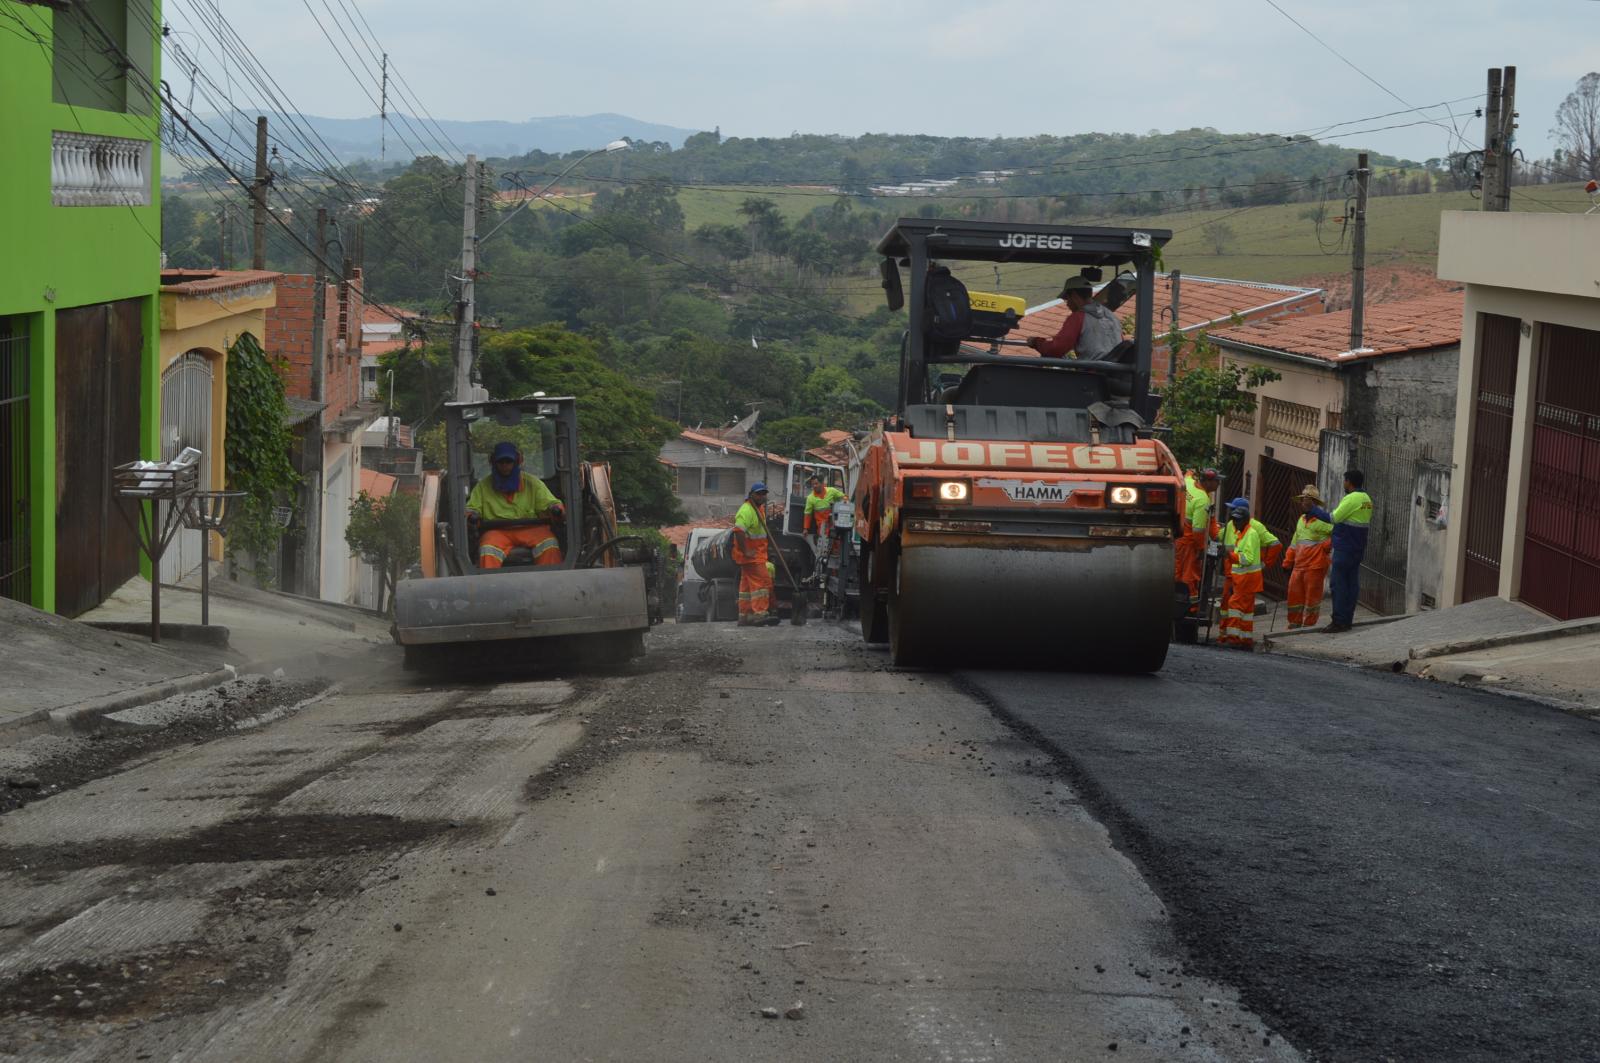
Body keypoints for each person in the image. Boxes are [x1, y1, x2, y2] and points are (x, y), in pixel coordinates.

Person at [466, 441, 564, 569]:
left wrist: (555, 508)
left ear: (517, 461)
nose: (505, 466)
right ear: (493, 462)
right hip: (497, 531)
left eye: (509, 461)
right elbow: (472, 508)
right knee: (487, 549)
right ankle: (490, 586)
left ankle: (551, 584)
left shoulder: (532, 483)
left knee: (549, 544)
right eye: (501, 462)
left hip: (530, 528)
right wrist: (472, 515)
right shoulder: (483, 487)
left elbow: (550, 503)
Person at [1307, 469, 1373, 633]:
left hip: (1345, 547)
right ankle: (1347, 620)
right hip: (1358, 548)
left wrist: (1312, 509)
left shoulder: (1351, 499)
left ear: (1349, 482)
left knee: (1338, 585)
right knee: (1351, 585)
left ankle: (1339, 621)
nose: (1344, 484)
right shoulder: (1367, 499)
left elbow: (1333, 518)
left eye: (1345, 481)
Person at [1025, 275, 1122, 360]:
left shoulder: (1078, 317)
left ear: (1074, 296)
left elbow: (1057, 349)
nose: (1067, 304)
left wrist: (1036, 342)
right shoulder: (1112, 316)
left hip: (1093, 375)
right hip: (1115, 373)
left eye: (1067, 299)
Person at [1282, 485, 1333, 629]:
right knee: (1294, 596)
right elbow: (1294, 543)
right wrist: (1287, 562)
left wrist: (1326, 547)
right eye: (1302, 500)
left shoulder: (1323, 521)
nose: (1302, 502)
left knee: (1312, 599)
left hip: (1315, 566)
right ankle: (1294, 623)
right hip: (1298, 567)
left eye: (1305, 500)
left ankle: (1308, 626)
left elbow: (1337, 533)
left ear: (1313, 503)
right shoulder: (1301, 520)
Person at [1218, 501, 1264, 650]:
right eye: (1234, 519)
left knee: (1234, 606)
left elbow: (1247, 559)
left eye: (1237, 520)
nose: (1234, 522)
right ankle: (1245, 639)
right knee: (1246, 611)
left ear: (1245, 520)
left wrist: (1230, 556)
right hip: (1245, 579)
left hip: (1247, 579)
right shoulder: (1243, 534)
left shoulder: (1250, 535)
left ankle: (1234, 638)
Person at [1175, 467, 1220, 614]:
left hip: (1178, 537)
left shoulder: (1188, 482)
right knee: (1190, 575)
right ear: (1208, 482)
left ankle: (1176, 601)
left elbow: (1186, 475)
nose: (1218, 484)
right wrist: (1201, 549)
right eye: (1216, 481)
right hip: (1189, 542)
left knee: (1177, 571)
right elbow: (1198, 530)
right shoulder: (1202, 500)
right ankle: (1191, 608)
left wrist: (1190, 472)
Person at [732, 482, 777, 626]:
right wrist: (746, 551)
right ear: (751, 494)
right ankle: (760, 614)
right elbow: (738, 531)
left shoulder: (758, 509)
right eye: (759, 494)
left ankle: (744, 616)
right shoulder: (746, 511)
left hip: (754, 555)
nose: (762, 496)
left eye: (764, 494)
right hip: (752, 556)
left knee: (746, 587)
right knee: (762, 583)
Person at [803, 475, 847, 548]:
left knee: (837, 543)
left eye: (816, 483)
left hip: (834, 524)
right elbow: (808, 514)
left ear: (822, 483)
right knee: (823, 545)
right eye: (813, 484)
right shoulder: (810, 498)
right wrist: (805, 528)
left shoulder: (831, 491)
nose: (814, 486)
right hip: (822, 527)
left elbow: (844, 497)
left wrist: (846, 504)